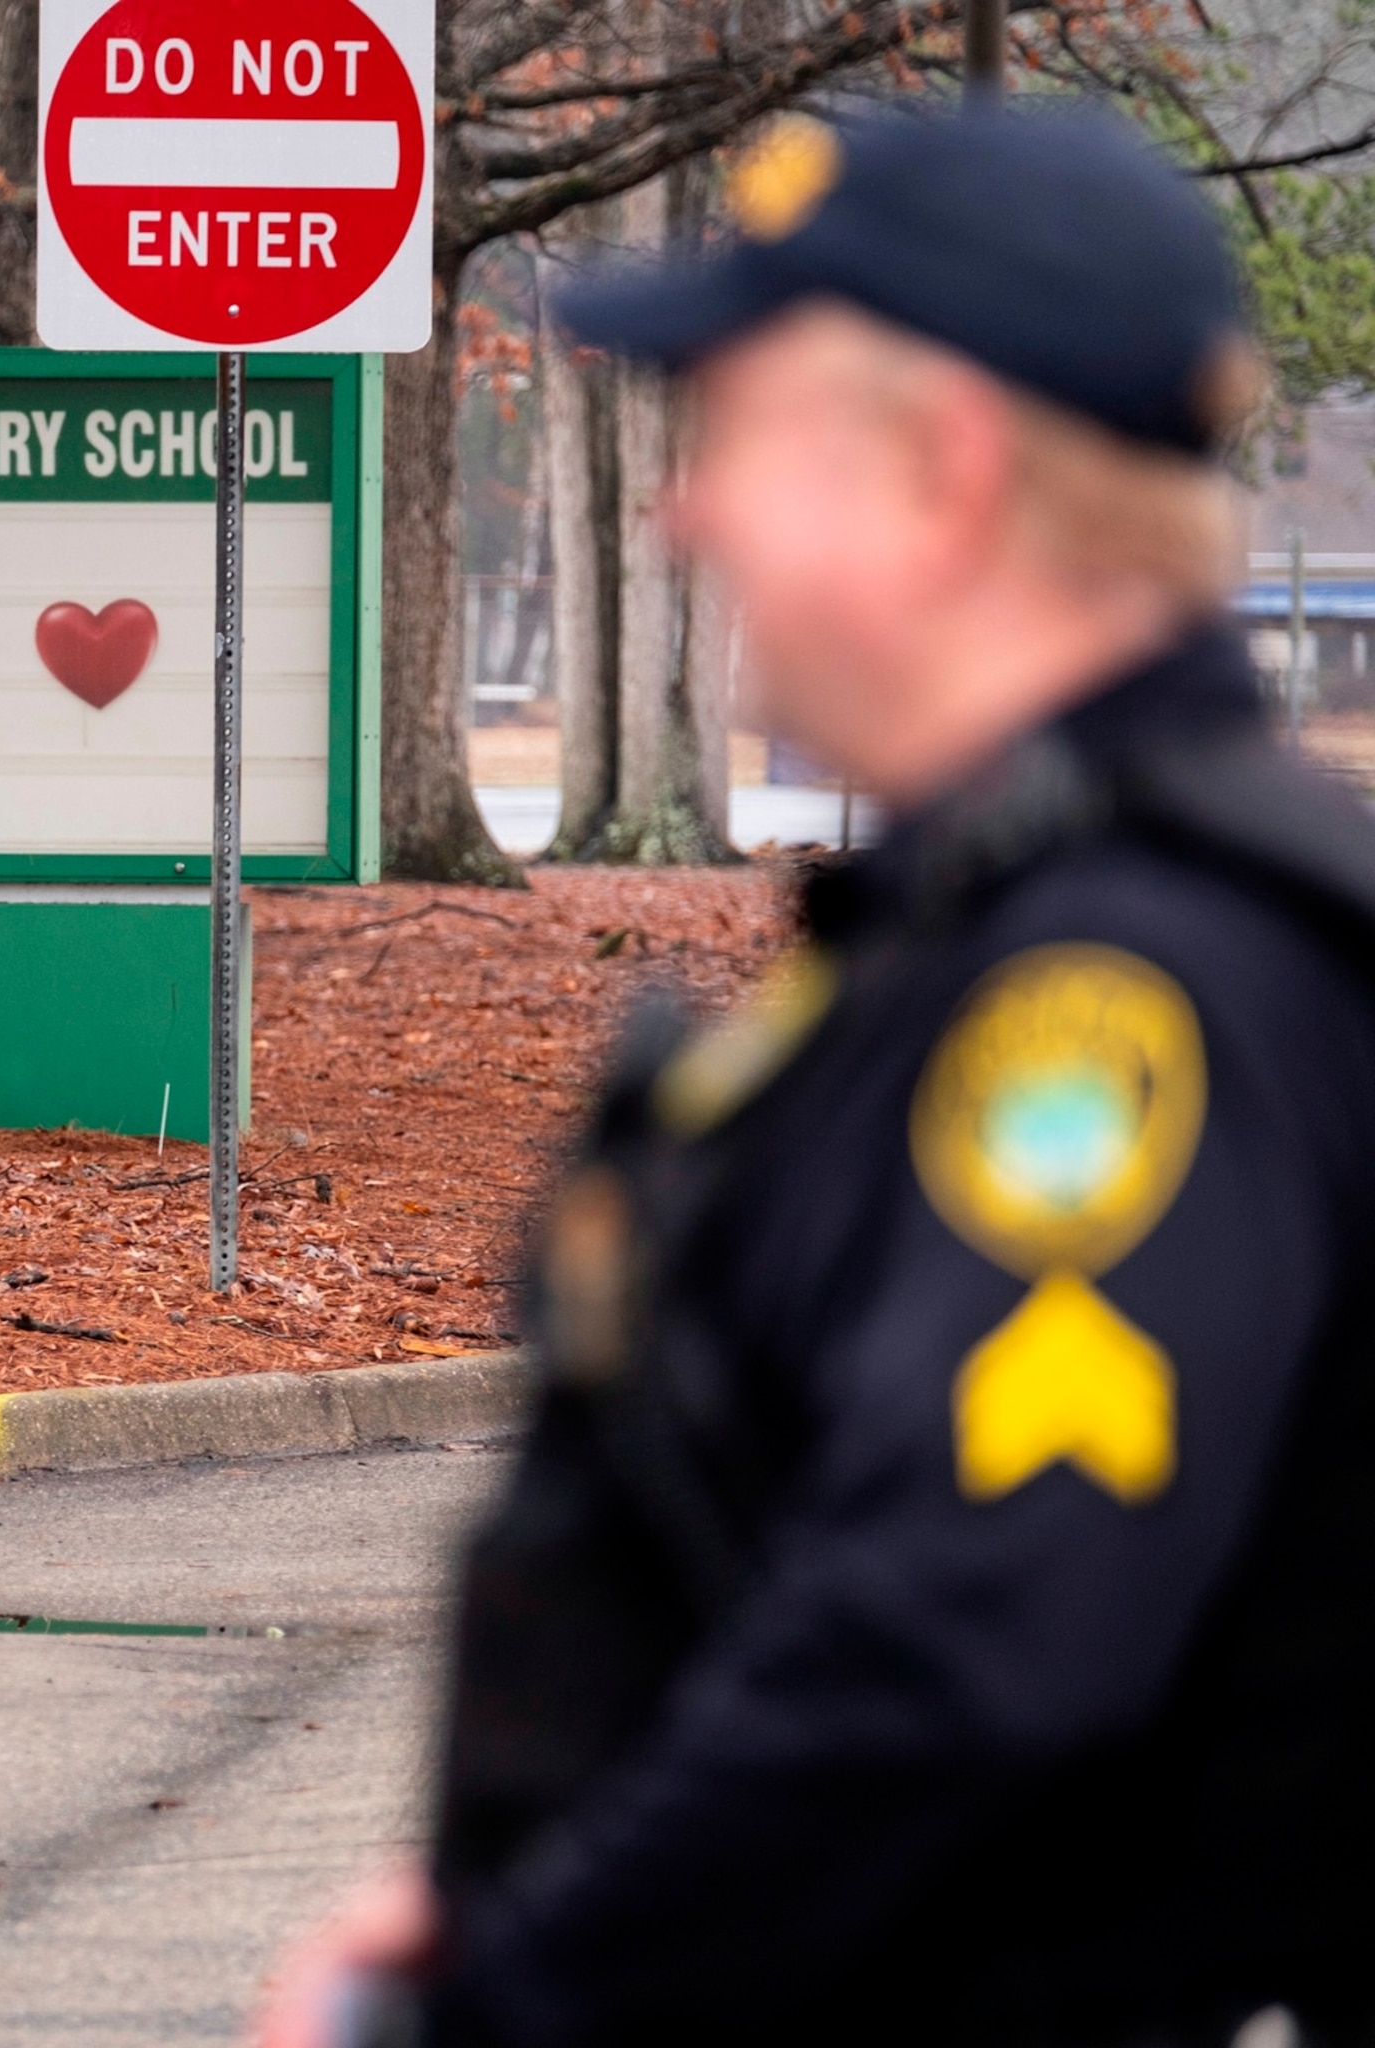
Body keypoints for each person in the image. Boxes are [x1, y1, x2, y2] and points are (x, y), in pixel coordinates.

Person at [258, 106, 1375, 2048]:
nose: (685, 513)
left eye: (743, 436)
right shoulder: (999, 925)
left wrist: (513, 1996)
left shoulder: (1126, 990)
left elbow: (963, 1649)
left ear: (944, 471)